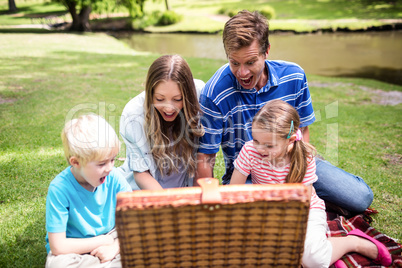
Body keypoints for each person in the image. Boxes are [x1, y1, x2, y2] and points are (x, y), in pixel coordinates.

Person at [196, 10, 373, 214]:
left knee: (360, 198)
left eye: (250, 62)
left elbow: (303, 131)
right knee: (248, 216)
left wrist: (296, 175)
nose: (242, 73)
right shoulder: (214, 93)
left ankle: (313, 197)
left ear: (267, 51)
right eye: (234, 62)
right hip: (248, 176)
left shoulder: (294, 76)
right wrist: (207, 200)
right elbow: (206, 156)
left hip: (294, 165)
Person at [230, 100, 392, 268]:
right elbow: (234, 191)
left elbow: (302, 203)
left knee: (315, 262)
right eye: (255, 140)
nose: (260, 149)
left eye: (269, 145)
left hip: (303, 211)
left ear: (290, 140)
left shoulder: (303, 157)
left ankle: (352, 242)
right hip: (268, 210)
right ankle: (326, 251)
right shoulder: (250, 151)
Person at [45, 114, 132, 268]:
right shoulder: (59, 189)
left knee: (143, 247)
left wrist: (114, 247)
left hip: (113, 237)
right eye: (102, 164)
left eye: (112, 160)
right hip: (75, 247)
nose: (110, 168)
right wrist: (101, 241)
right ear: (76, 162)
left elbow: (135, 220)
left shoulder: (115, 177)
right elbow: (58, 246)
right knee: (57, 265)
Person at [119, 54, 205, 190]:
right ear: (150, 93)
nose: (169, 108)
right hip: (143, 192)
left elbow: (204, 155)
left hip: (181, 191)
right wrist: (167, 202)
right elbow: (141, 172)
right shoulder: (133, 115)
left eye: (177, 99)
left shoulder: (200, 94)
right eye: (159, 99)